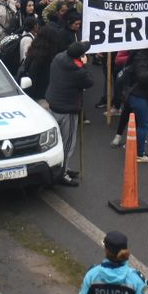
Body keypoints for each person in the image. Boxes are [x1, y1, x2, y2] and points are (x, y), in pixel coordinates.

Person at [46, 41, 93, 186]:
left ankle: (60, 167)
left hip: (54, 105)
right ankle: (62, 173)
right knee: (68, 143)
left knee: (57, 141)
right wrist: (84, 65)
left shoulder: (59, 58)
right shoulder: (78, 71)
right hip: (68, 109)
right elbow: (89, 81)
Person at [126, 48, 148, 163]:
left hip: (147, 95)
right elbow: (143, 77)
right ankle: (139, 153)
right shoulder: (141, 58)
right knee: (144, 124)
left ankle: (132, 143)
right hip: (139, 95)